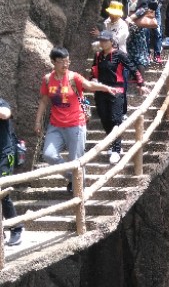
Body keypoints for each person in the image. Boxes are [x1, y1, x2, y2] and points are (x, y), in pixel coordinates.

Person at [35, 47, 118, 193]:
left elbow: (90, 85)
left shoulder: (74, 77)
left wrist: (106, 88)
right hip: (55, 125)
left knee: (76, 161)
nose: (65, 64)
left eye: (67, 61)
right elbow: (43, 101)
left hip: (75, 124)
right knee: (48, 155)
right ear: (53, 62)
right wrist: (37, 122)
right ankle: (75, 178)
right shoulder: (48, 79)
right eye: (61, 62)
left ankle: (79, 191)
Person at [91, 32, 149, 164]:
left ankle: (116, 149)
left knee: (115, 119)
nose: (103, 43)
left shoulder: (120, 55)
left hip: (117, 91)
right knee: (105, 119)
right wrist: (92, 80)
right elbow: (94, 70)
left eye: (105, 40)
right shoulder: (98, 56)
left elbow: (133, 69)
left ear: (112, 41)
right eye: (101, 40)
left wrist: (141, 84)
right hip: (101, 90)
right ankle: (112, 143)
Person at [0, 98, 23, 246]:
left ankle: (17, 229)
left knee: (3, 193)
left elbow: (5, 113)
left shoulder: (1, 103)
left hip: (4, 155)